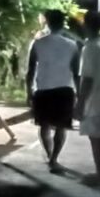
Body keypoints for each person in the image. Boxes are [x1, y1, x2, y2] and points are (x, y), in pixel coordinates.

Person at [26, 9, 79, 173]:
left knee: (44, 125)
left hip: (43, 89)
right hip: (65, 89)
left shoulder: (38, 44)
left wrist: (28, 92)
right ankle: (54, 158)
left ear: (47, 22)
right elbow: (76, 72)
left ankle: (49, 155)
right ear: (63, 24)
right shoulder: (72, 45)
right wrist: (79, 93)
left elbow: (30, 71)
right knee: (61, 127)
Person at [75, 11, 100, 185]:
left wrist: (80, 103)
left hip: (94, 98)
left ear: (86, 25)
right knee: (99, 137)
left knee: (96, 138)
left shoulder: (90, 47)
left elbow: (87, 78)